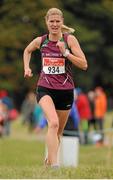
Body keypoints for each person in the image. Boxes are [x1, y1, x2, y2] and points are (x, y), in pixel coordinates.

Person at [23, 7, 88, 167]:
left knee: (57, 132)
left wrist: (65, 53)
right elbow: (27, 50)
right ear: (46, 22)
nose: (54, 24)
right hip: (45, 88)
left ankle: (49, 161)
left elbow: (84, 64)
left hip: (65, 91)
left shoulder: (69, 40)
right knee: (52, 123)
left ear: (62, 22)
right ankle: (55, 166)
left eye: (57, 21)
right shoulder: (41, 40)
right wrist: (27, 67)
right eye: (51, 21)